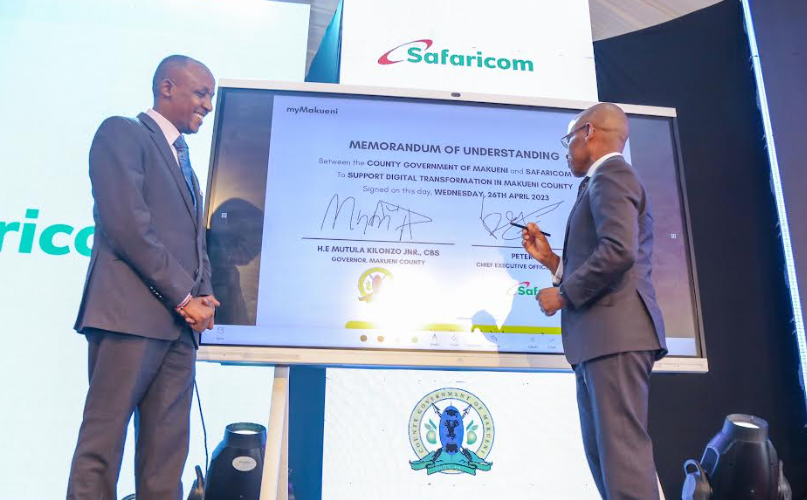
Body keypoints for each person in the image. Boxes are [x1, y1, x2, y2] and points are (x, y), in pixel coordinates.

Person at [67, 55, 220, 500]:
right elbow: (129, 226)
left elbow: (194, 240)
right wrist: (183, 295)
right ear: (166, 88)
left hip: (177, 331)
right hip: (128, 319)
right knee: (103, 445)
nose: (208, 105)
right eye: (200, 93)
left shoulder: (185, 161)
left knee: (165, 458)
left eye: (210, 96)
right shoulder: (122, 133)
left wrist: (204, 295)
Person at [522, 103, 668, 500]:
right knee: (608, 466)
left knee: (623, 468)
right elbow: (613, 252)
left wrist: (564, 295)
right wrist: (554, 264)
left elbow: (619, 251)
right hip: (602, 340)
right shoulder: (604, 181)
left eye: (569, 139)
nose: (567, 149)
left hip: (614, 337)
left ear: (588, 132)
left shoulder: (611, 176)